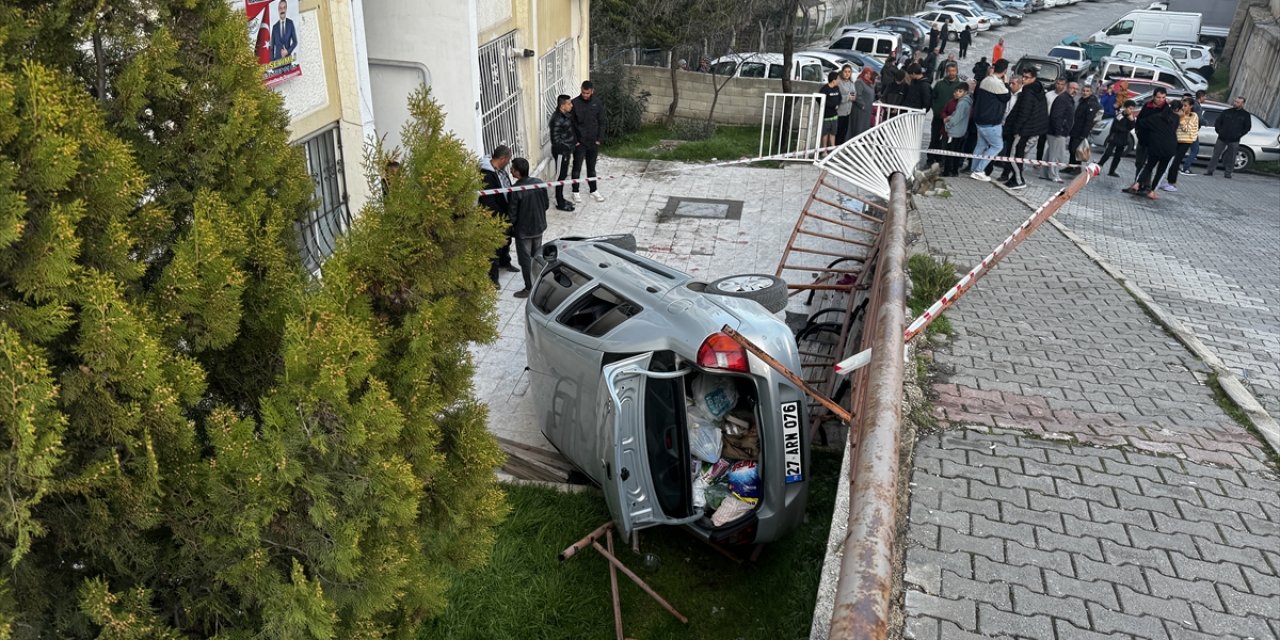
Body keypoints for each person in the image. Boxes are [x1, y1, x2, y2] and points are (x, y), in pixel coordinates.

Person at [506, 157, 549, 298]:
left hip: (523, 232)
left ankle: (529, 288)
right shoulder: (539, 184)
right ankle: (539, 283)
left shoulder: (515, 189)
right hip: (539, 227)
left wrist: (510, 228)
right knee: (537, 256)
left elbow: (512, 214)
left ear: (517, 172)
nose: (510, 170)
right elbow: (546, 205)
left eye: (512, 169)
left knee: (525, 261)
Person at [1125, 87, 1178, 200]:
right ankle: (1138, 184)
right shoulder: (1147, 105)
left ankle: (1147, 187)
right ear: (1154, 96)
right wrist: (1138, 132)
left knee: (1150, 165)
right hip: (1143, 139)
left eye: (1163, 98)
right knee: (1140, 163)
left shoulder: (1166, 110)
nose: (1160, 100)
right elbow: (1140, 121)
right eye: (1158, 97)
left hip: (1155, 142)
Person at [1003, 66, 1048, 190]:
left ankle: (1018, 180)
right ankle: (1014, 178)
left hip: (1024, 130)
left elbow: (1024, 112)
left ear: (1034, 78)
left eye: (1027, 77)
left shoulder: (1028, 92)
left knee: (1014, 155)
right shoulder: (1038, 90)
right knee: (1019, 154)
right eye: (1023, 76)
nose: (1024, 79)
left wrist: (1016, 130)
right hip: (1032, 129)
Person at [479, 146, 518, 284]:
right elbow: (488, 201)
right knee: (494, 247)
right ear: (503, 159)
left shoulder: (500, 171)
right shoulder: (487, 175)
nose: (509, 162)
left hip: (505, 213)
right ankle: (493, 279)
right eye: (508, 159)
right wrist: (502, 217)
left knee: (506, 241)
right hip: (495, 218)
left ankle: (505, 262)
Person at [970, 58, 1011, 182]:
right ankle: (978, 170)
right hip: (991, 121)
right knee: (997, 146)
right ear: (1004, 71)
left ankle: (974, 168)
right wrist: (1007, 83)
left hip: (979, 119)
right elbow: (1006, 97)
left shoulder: (985, 80)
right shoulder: (997, 84)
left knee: (981, 145)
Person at [570, 80, 606, 202]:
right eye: (583, 92)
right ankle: (575, 191)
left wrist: (599, 139)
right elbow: (571, 125)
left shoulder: (597, 102)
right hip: (580, 143)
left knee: (591, 168)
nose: (585, 95)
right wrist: (575, 141)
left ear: (592, 91)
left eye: (587, 93)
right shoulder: (574, 103)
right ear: (581, 90)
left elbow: (602, 122)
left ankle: (593, 190)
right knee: (576, 168)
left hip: (593, 142)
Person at [1206, 96, 1252, 178]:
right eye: (1235, 101)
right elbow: (1218, 122)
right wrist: (1219, 131)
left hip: (1234, 139)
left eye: (1238, 102)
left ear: (1243, 104)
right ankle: (1210, 171)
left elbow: (1247, 127)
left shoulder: (1245, 115)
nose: (1235, 103)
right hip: (1222, 138)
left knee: (1231, 157)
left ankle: (1228, 173)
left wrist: (1239, 135)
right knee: (1215, 155)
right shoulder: (1226, 112)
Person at [1162, 96, 1200, 192]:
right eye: (1182, 105)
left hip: (1185, 141)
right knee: (1168, 160)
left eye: (1186, 106)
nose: (1183, 108)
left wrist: (1182, 117)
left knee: (1176, 162)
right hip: (1175, 140)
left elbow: (1187, 129)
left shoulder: (1193, 116)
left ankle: (1172, 182)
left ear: (1191, 106)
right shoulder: (1177, 114)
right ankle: (1164, 180)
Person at [1042, 80, 1076, 183]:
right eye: (1072, 88)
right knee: (1057, 155)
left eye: (1076, 89)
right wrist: (1059, 130)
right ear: (1067, 87)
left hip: (1058, 131)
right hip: (1057, 132)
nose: (1075, 90)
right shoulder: (1063, 99)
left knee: (1051, 153)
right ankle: (1054, 175)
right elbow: (1056, 116)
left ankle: (1044, 173)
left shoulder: (1068, 99)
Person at [930, 63, 965, 162]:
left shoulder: (961, 85)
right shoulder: (940, 84)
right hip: (938, 116)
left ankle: (942, 159)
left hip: (952, 120)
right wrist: (936, 110)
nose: (951, 73)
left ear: (957, 71)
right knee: (934, 138)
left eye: (953, 71)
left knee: (947, 141)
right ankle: (931, 158)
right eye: (949, 71)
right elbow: (933, 97)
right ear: (946, 71)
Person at [548, 94, 576, 212]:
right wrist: (566, 148)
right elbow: (556, 140)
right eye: (569, 103)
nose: (571, 105)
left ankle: (562, 199)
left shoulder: (566, 116)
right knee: (560, 176)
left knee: (563, 176)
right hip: (561, 153)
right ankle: (559, 202)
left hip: (566, 151)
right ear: (562, 105)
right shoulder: (556, 119)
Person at [1098, 100, 1138, 177]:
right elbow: (1116, 126)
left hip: (1123, 139)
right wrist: (1125, 129)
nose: (1131, 110)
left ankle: (1112, 171)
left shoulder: (1131, 117)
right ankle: (1099, 167)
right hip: (1115, 137)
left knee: (1118, 156)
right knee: (1107, 153)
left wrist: (1132, 120)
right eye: (1130, 108)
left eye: (1132, 109)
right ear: (1126, 108)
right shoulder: (1120, 115)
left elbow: (1132, 126)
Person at [942, 83, 973, 176]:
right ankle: (954, 171)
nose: (957, 93)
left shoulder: (962, 103)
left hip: (955, 132)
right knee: (956, 153)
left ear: (965, 92)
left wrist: (947, 125)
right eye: (956, 91)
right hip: (961, 131)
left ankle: (947, 172)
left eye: (960, 91)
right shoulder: (967, 102)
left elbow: (956, 117)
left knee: (950, 153)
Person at [1068, 83, 1100, 166]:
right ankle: (1071, 166)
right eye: (1083, 91)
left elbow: (1089, 121)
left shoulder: (1091, 103)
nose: (1084, 93)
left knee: (1076, 150)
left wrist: (1084, 134)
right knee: (1071, 148)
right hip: (1075, 129)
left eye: (1087, 91)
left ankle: (1076, 167)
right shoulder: (1082, 101)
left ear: (1091, 92)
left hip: (1081, 131)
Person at [1180, 90, 1207, 175]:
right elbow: (1199, 118)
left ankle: (1178, 165)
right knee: (1195, 150)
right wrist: (1206, 122)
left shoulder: (1192, 104)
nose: (1205, 98)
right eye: (1205, 97)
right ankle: (1185, 168)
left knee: (1183, 149)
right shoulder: (1197, 106)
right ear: (1201, 97)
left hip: (1188, 129)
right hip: (1192, 131)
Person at [819, 70, 843, 151]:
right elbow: (820, 99)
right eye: (838, 79)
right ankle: (824, 150)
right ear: (833, 80)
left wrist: (838, 104)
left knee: (833, 133)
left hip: (835, 115)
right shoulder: (825, 89)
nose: (839, 81)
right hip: (826, 115)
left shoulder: (837, 88)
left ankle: (832, 148)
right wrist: (832, 106)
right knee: (825, 133)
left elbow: (840, 98)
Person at [836, 65, 858, 144]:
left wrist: (853, 97)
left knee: (843, 131)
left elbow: (853, 93)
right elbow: (837, 96)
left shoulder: (851, 82)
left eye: (849, 72)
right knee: (837, 131)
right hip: (839, 111)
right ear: (842, 72)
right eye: (845, 72)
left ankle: (839, 148)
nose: (847, 74)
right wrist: (847, 97)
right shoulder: (838, 82)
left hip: (848, 111)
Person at [853, 67, 877, 136]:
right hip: (860, 110)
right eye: (866, 73)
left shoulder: (869, 83)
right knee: (859, 127)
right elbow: (857, 95)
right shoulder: (859, 82)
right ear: (863, 73)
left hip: (867, 110)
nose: (868, 75)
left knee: (864, 127)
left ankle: (861, 143)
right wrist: (862, 105)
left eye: (869, 74)